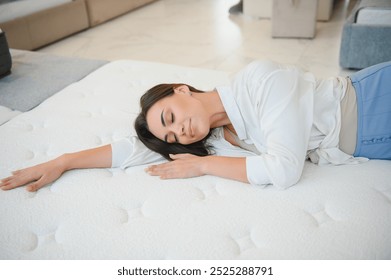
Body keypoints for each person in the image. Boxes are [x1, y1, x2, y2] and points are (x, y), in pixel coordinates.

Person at [1, 60, 390, 192]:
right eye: (171, 136)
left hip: (373, 100)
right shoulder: (216, 137)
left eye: (170, 117)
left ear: (182, 89)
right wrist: (65, 160)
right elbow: (133, 149)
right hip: (371, 145)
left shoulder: (262, 80)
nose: (179, 133)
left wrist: (203, 166)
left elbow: (285, 171)